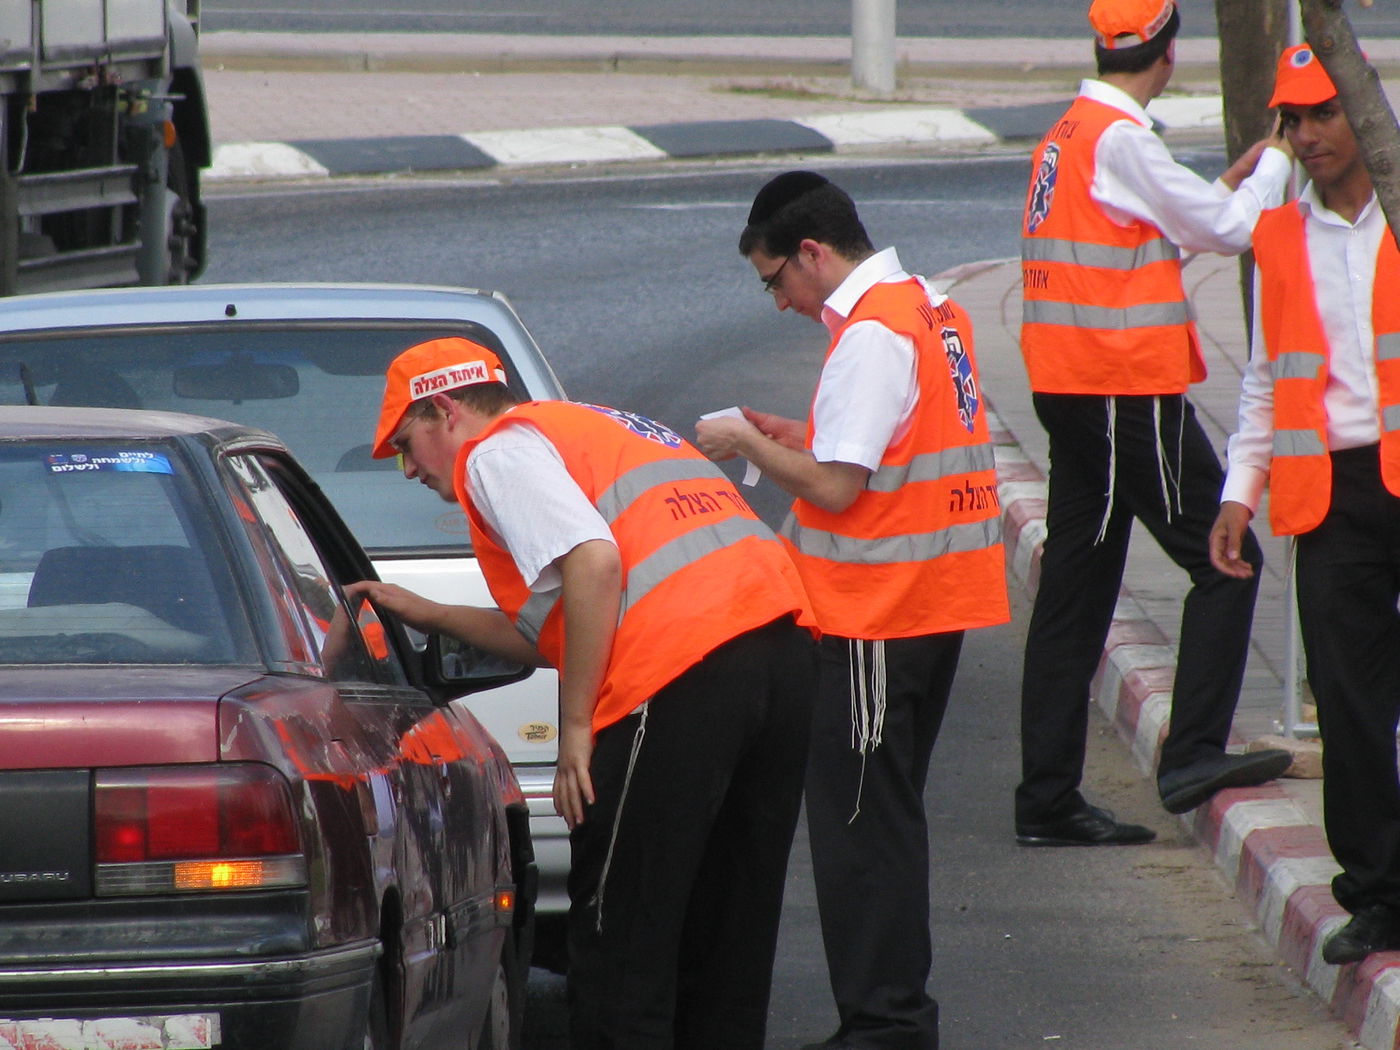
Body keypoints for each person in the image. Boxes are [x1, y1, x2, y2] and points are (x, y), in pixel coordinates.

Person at [350, 336, 817, 1049]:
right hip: (781, 651)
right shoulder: (596, 427)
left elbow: (594, 565)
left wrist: (575, 736)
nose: (408, 469)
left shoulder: (498, 452)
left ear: (445, 410)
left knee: (621, 944)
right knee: (729, 935)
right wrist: (431, 612)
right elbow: (566, 626)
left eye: (407, 444)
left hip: (682, 672)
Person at [695, 171, 1009, 1050]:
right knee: (885, 817)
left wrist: (747, 444)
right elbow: (884, 449)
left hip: (873, 614)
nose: (779, 301)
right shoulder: (929, 308)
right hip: (924, 605)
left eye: (775, 281)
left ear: (811, 252)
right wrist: (796, 435)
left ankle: (885, 1023)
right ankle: (891, 1016)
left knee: (861, 829)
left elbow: (840, 484)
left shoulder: (872, 333)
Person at [1014, 0, 1294, 847]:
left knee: (1075, 590)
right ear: (1169, 54)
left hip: (1071, 387)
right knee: (1225, 555)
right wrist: (1276, 164)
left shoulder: (1071, 131)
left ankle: (1047, 800)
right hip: (1124, 388)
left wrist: (1228, 179)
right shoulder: (1125, 140)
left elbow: (1158, 232)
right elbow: (1226, 231)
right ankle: (1194, 755)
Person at [1212, 44, 1400, 966]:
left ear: (1362, 113)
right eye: (1293, 119)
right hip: (1328, 492)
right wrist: (1238, 495)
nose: (1308, 133)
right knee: (1352, 705)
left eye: (1324, 112)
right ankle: (1377, 895)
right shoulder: (1279, 238)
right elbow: (1263, 381)